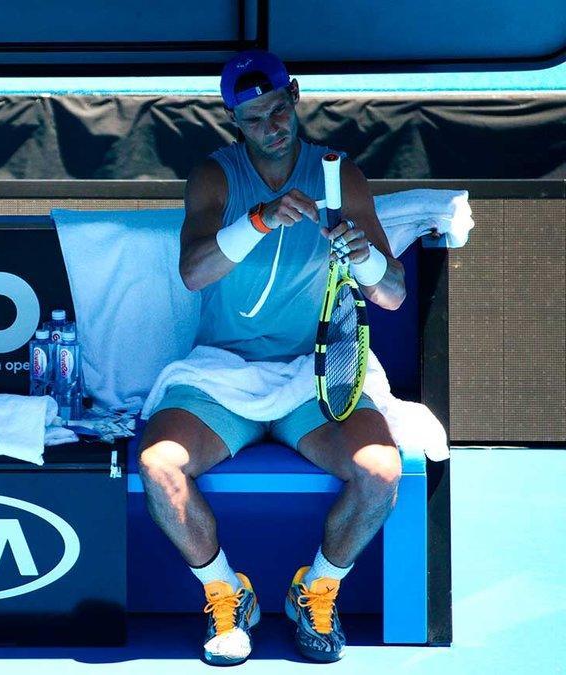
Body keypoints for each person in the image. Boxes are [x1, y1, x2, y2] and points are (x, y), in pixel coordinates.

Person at [139, 50, 407, 665]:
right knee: (158, 466)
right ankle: (227, 592)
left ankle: (317, 588)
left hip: (317, 375)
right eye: (254, 118)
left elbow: (392, 294)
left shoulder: (339, 174)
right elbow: (193, 272)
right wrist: (258, 220)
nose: (271, 127)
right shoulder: (215, 176)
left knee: (381, 473)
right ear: (234, 121)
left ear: (295, 96)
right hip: (221, 375)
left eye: (278, 110)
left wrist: (364, 255)